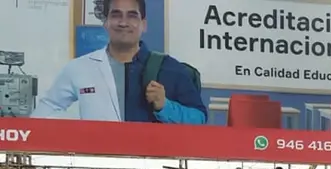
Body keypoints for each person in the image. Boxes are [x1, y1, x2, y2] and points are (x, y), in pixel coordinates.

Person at [32, 0, 207, 124]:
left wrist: (165, 106)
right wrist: (74, 131)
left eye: (132, 16)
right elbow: (43, 112)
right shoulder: (79, 68)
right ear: (106, 22)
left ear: (143, 24)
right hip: (95, 168)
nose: (123, 22)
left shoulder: (170, 69)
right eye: (116, 15)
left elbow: (199, 119)